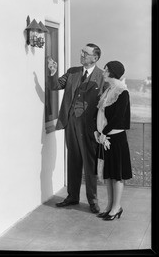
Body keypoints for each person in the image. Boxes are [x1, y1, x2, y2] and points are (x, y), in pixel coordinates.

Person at [48, 43, 108, 214]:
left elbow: (107, 103)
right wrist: (52, 73)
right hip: (71, 123)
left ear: (95, 58)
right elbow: (55, 86)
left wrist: (103, 129)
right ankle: (72, 196)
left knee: (90, 164)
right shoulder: (73, 71)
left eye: (85, 53)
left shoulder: (102, 76)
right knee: (73, 161)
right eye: (81, 51)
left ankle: (93, 201)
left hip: (89, 127)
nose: (81, 54)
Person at [95, 61, 132, 221]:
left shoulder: (122, 92)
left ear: (113, 73)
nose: (103, 73)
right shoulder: (108, 91)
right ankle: (110, 206)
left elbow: (117, 118)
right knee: (109, 174)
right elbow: (101, 115)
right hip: (105, 137)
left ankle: (117, 208)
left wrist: (104, 133)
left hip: (116, 138)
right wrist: (98, 132)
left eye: (106, 70)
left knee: (117, 174)